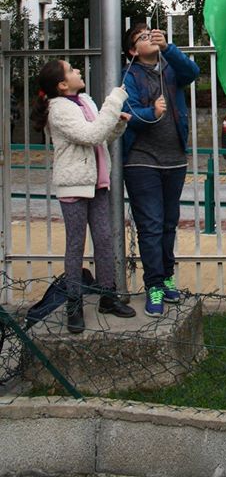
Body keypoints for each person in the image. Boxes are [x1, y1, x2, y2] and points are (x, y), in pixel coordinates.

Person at [31, 60, 136, 333]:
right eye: (71, 70)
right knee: (75, 244)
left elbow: (101, 136)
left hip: (97, 183)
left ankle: (107, 296)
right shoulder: (58, 109)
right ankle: (73, 304)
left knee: (104, 239)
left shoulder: (84, 101)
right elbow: (89, 135)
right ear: (62, 85)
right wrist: (114, 100)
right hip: (74, 186)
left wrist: (116, 124)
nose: (78, 71)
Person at [122, 24, 200, 317]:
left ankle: (167, 277)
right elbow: (127, 111)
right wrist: (150, 113)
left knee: (169, 223)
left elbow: (192, 73)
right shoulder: (128, 75)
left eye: (150, 34)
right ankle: (153, 285)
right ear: (132, 50)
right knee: (151, 226)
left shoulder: (170, 67)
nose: (149, 38)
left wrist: (168, 47)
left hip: (175, 159)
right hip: (142, 161)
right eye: (141, 38)